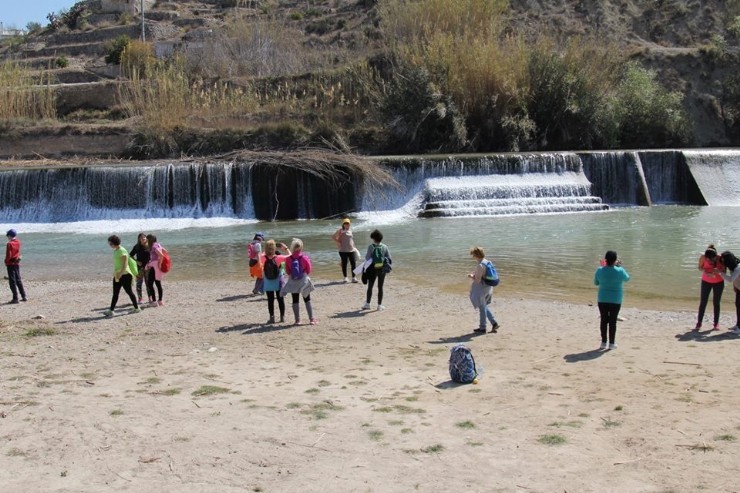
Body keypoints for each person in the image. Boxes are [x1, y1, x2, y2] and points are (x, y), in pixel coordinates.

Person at [593, 250, 630, 349]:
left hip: (602, 298)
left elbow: (596, 283)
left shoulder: (599, 270)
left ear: (605, 260)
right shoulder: (620, 270)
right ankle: (612, 343)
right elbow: (627, 278)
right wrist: (619, 267)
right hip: (616, 299)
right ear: (615, 260)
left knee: (604, 320)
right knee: (613, 321)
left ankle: (603, 342)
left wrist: (603, 267)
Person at [279, 238, 317, 325]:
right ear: (301, 247)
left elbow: (287, 271)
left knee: (295, 300)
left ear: (292, 247)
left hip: (293, 280)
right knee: (307, 299)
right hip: (303, 280)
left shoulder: (288, 259)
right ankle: (311, 319)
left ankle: (297, 320)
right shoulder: (305, 257)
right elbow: (309, 270)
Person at [104, 235, 140, 317]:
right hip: (118, 274)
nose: (110, 245)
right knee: (115, 293)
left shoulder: (122, 251)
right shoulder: (116, 250)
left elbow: (125, 264)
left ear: (114, 243)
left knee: (129, 292)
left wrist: (120, 274)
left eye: (110, 243)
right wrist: (117, 274)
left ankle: (137, 308)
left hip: (125, 275)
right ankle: (111, 310)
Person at [468, 246, 500, 334]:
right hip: (489, 287)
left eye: (473, 255)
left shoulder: (480, 265)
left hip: (482, 288)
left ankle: (483, 328)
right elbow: (484, 275)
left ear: (476, 255)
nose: (472, 257)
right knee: (484, 306)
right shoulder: (487, 262)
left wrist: (471, 276)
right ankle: (494, 323)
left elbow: (478, 280)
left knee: (482, 308)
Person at [695, 244, 724, 330]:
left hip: (719, 282)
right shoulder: (703, 257)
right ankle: (699, 322)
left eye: (712, 260)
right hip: (706, 282)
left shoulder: (720, 258)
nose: (710, 262)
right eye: (708, 260)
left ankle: (716, 323)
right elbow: (699, 267)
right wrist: (706, 272)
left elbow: (724, 270)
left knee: (716, 303)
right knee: (703, 302)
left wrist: (718, 271)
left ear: (715, 257)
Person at [261, 239, 290, 324]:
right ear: (274, 249)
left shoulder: (263, 258)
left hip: (268, 281)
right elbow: (291, 256)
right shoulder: (278, 257)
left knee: (270, 300)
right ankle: (282, 317)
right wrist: (286, 248)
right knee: (280, 299)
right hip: (277, 281)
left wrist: (266, 249)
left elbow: (262, 254)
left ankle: (272, 318)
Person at [362, 229, 391, 311]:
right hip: (382, 269)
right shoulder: (385, 247)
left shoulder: (371, 247)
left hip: (372, 269)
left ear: (374, 238)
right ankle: (379, 306)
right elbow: (389, 258)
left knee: (370, 286)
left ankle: (367, 304)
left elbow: (367, 258)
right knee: (380, 287)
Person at [332, 218, 358, 283]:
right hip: (343, 250)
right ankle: (345, 277)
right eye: (345, 223)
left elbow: (351, 240)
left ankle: (354, 277)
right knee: (344, 264)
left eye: (348, 223)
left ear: (349, 224)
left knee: (353, 264)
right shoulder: (340, 230)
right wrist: (338, 241)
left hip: (352, 250)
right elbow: (333, 236)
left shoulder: (350, 230)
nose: (347, 224)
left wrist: (355, 247)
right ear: (343, 224)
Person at [720, 251, 740, 335]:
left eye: (723, 260)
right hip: (738, 289)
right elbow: (735, 279)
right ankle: (738, 325)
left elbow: (731, 279)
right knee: (738, 306)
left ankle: (739, 328)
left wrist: (720, 273)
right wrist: (735, 287)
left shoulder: (738, 268)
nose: (723, 262)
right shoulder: (733, 267)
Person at [5, 229, 27, 304]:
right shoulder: (18, 242)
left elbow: (9, 255)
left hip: (10, 264)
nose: (8, 238)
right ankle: (24, 296)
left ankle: (15, 298)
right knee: (18, 280)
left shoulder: (9, 244)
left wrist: (6, 262)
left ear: (10, 236)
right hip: (17, 263)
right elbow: (17, 252)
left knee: (12, 281)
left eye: (8, 236)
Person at [130, 233, 151, 304]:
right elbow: (130, 256)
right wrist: (137, 261)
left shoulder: (149, 246)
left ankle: (150, 297)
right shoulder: (137, 247)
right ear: (139, 239)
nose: (143, 239)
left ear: (146, 238)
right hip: (139, 268)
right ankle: (140, 298)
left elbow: (154, 255)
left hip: (148, 267)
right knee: (139, 283)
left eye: (144, 237)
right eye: (141, 238)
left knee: (148, 283)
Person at [145, 234, 166, 306]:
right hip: (157, 267)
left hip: (155, 267)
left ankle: (154, 302)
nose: (146, 241)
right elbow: (165, 251)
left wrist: (159, 263)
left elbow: (161, 255)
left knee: (150, 284)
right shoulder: (158, 244)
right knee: (158, 283)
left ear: (150, 240)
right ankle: (160, 301)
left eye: (147, 240)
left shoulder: (153, 246)